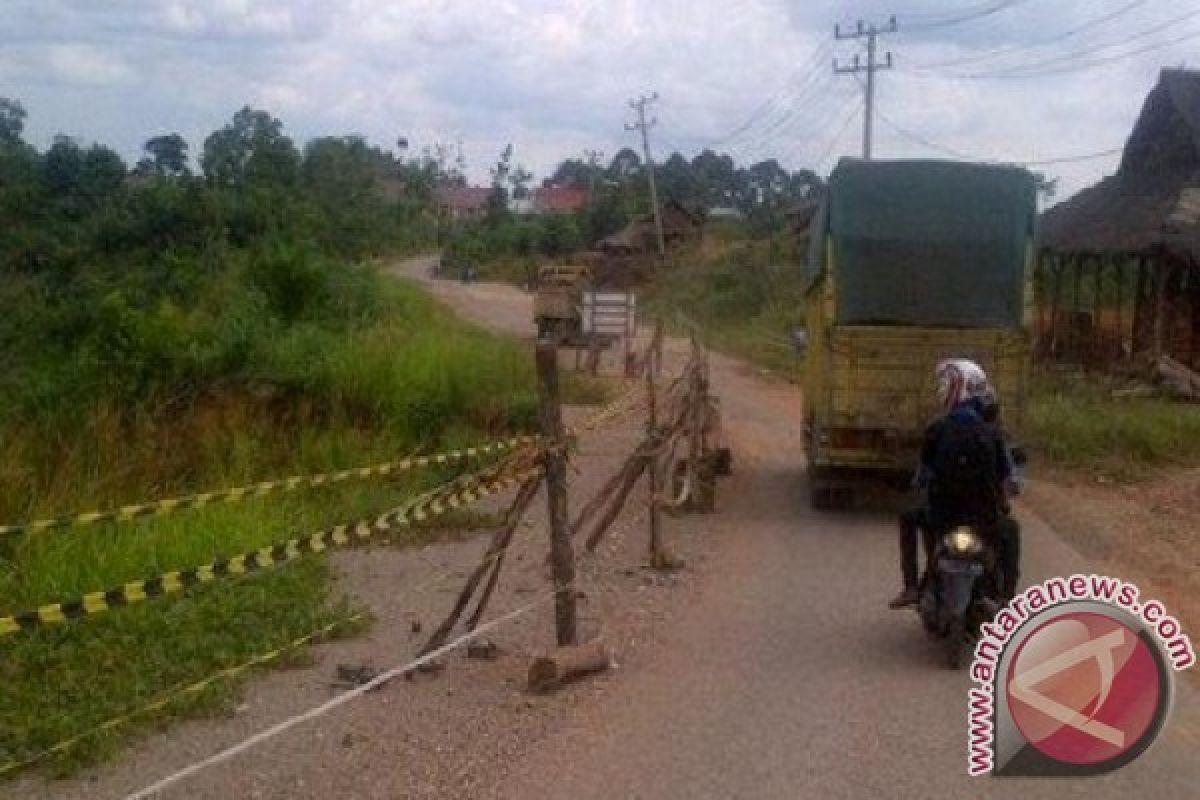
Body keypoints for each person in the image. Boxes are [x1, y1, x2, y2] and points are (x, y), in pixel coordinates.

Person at [889, 360, 1018, 608]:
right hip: (984, 519)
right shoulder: (992, 433)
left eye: (945, 383)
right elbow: (1007, 478)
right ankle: (1008, 597)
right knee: (1011, 532)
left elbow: (923, 474)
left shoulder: (936, 429)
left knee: (907, 518)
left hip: (942, 517)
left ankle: (911, 587)